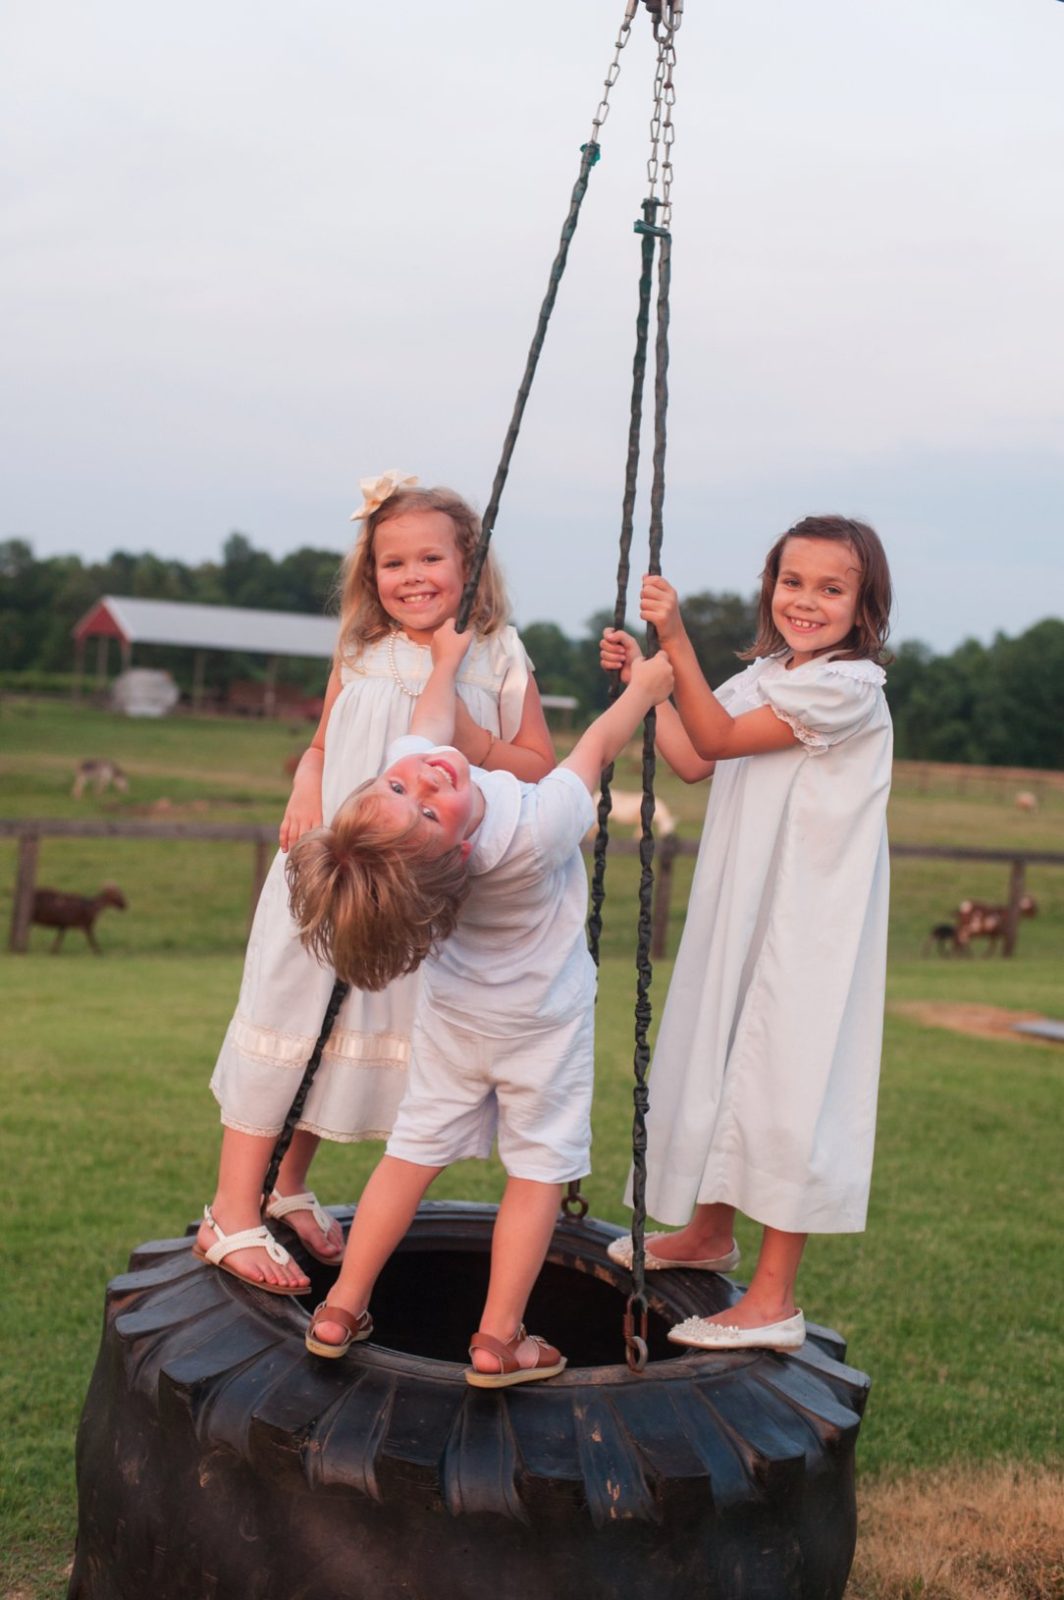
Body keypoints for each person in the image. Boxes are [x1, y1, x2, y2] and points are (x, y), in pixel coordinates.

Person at [195, 472, 555, 1295]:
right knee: (289, 1018)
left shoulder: (498, 654)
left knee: (345, 1027)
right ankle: (230, 1211)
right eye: (393, 563)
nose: (412, 576)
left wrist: (473, 736)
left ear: (470, 564)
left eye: (431, 558)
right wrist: (304, 783)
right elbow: (324, 744)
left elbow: (539, 764)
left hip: (407, 890)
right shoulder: (359, 648)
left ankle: (285, 1187)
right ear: (371, 574)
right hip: (330, 869)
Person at [291, 621, 675, 1385]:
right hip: (544, 1027)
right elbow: (593, 750)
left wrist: (446, 662)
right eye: (426, 808)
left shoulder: (412, 817)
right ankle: (499, 1338)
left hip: (456, 1022)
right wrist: (643, 692)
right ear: (457, 856)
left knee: (411, 1154)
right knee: (536, 1170)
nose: (425, 779)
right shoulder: (534, 829)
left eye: (400, 786)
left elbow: (427, 726)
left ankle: (341, 1306)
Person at [600, 515, 893, 1352]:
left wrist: (676, 639)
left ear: (864, 604)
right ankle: (707, 1232)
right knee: (727, 1054)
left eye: (831, 588)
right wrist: (649, 685)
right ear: (770, 587)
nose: (806, 601)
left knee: (786, 1084)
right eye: (792, 582)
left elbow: (721, 735)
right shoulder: (767, 674)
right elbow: (696, 757)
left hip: (808, 921)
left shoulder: (848, 687)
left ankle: (773, 1300)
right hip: (745, 906)